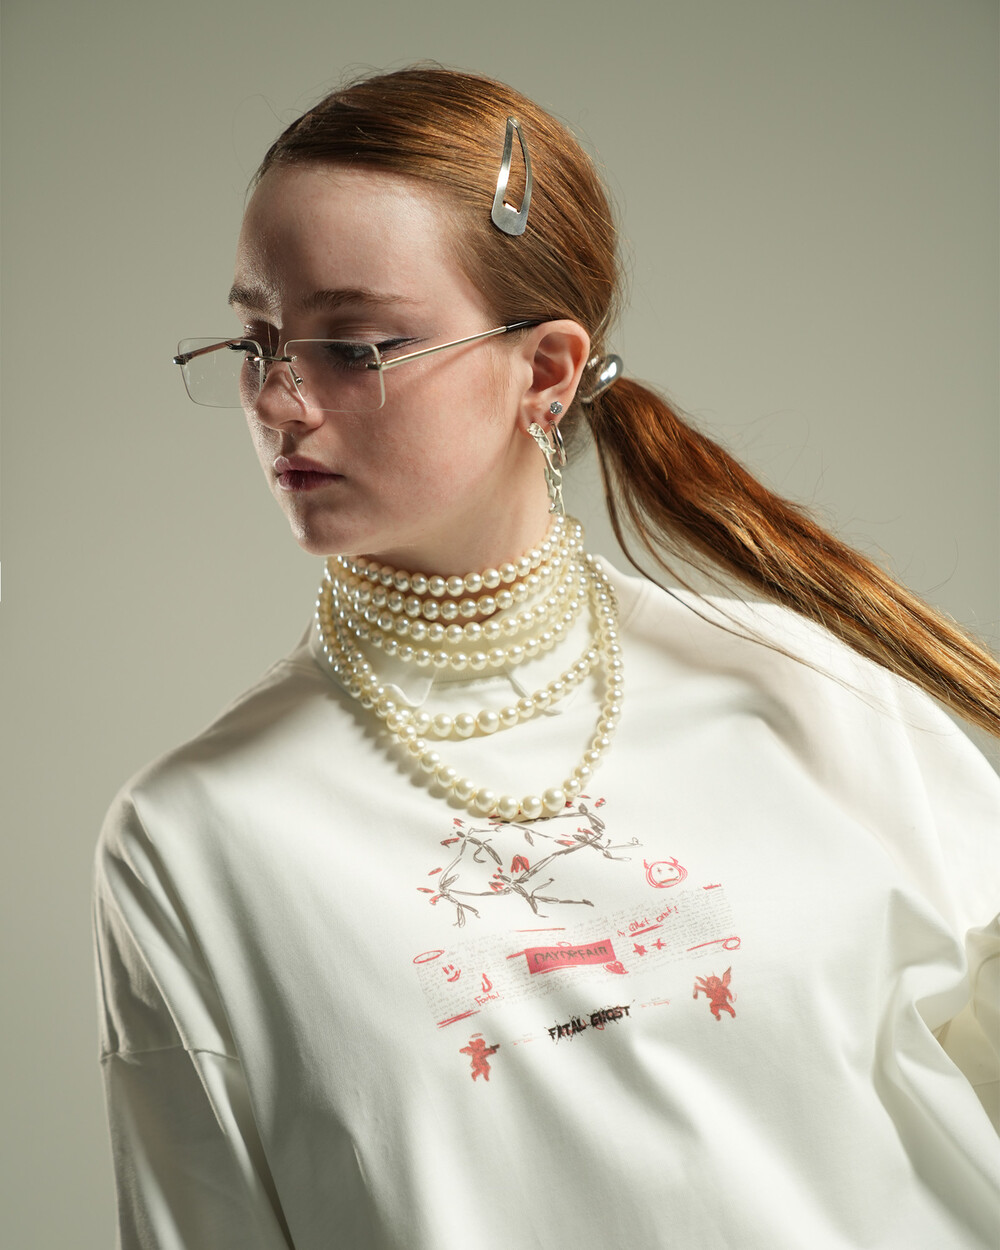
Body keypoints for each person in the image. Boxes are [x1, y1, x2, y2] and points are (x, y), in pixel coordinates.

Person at [92, 66, 1000, 1250]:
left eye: (353, 345)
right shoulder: (194, 835)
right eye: (260, 339)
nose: (279, 398)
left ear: (547, 369)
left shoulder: (813, 698)